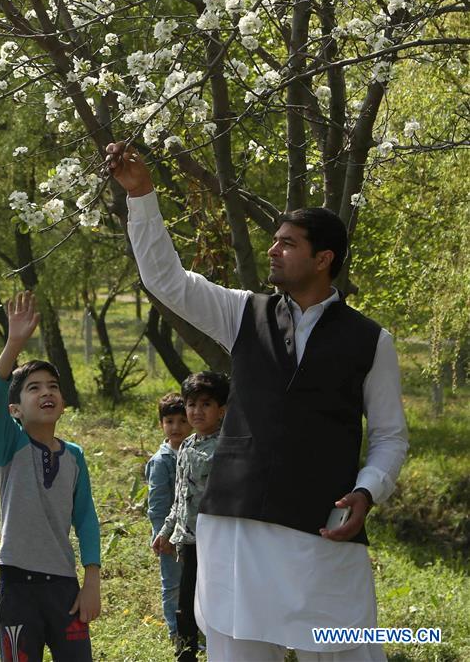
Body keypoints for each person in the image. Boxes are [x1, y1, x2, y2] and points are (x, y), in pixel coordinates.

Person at [106, 141, 409, 662]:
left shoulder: (370, 340)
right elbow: (166, 281)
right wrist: (142, 197)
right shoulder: (244, 313)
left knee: (345, 649)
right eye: (273, 241)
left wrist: (368, 490)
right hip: (234, 525)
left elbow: (389, 435)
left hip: (321, 527)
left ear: (323, 258)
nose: (272, 250)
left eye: (288, 243)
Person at [0, 291, 101, 662]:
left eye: (53, 386)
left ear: (63, 402)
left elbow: (86, 520)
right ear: (14, 409)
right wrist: (14, 343)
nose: (46, 392)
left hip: (64, 588)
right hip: (17, 586)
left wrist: (91, 582)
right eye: (34, 388)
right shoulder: (9, 447)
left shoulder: (75, 457)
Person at [153, 372, 229, 662]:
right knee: (185, 601)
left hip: (216, 540)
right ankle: (185, 653)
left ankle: (223, 652)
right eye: (191, 404)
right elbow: (180, 496)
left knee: (216, 601)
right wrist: (166, 530)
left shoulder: (227, 447)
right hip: (188, 540)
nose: (196, 411)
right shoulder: (185, 445)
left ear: (221, 410)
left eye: (205, 404)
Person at [145, 392, 193, 639]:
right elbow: (157, 505)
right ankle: (177, 634)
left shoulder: (194, 451)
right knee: (173, 585)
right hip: (169, 537)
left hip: (191, 533)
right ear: (161, 424)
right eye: (170, 421)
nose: (176, 427)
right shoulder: (162, 460)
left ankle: (193, 630)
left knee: (193, 582)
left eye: (182, 421)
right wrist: (163, 537)